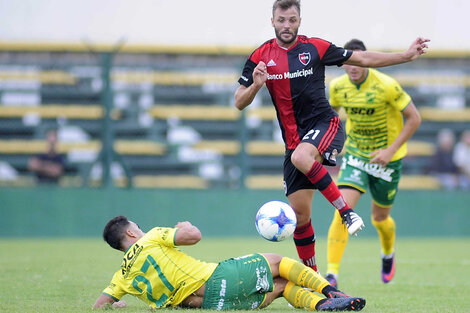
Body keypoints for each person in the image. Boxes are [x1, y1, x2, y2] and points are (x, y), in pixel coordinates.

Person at [234, 0, 429, 272]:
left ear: (299, 20)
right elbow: (239, 102)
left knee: (303, 155)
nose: (286, 25)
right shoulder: (260, 56)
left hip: (325, 124)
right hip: (293, 141)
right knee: (301, 217)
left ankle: (346, 213)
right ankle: (314, 281)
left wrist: (405, 56)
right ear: (272, 22)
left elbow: (363, 58)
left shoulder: (315, 47)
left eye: (292, 20)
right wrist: (256, 85)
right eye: (281, 20)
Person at [93, 216, 366, 311]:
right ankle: (332, 292)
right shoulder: (150, 237)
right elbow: (194, 236)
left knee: (282, 286)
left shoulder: (121, 277)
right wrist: (186, 225)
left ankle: (322, 306)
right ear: (131, 233)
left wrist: (117, 304)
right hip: (215, 278)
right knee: (277, 261)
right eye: (136, 227)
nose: (139, 230)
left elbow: (98, 306)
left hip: (212, 304)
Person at [324, 39, 422, 287]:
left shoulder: (386, 85)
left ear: (365, 59)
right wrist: (327, 146)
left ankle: (388, 254)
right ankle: (332, 275)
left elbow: (414, 118)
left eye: (358, 60)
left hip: (387, 161)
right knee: (343, 210)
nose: (354, 66)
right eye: (349, 62)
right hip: (356, 157)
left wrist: (390, 151)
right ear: (343, 64)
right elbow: (331, 118)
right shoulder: (337, 88)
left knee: (380, 218)